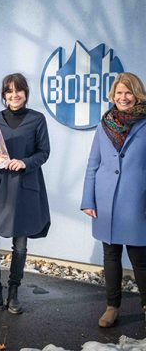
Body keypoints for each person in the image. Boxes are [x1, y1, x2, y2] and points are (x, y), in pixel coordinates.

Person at [0, 73, 51, 314]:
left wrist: (25, 162)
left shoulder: (37, 119)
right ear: (4, 94)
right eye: (9, 91)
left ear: (26, 93)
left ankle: (13, 293)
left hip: (24, 187)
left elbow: (44, 152)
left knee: (20, 245)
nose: (14, 95)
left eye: (18, 91)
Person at [81, 72, 146, 328]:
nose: (123, 97)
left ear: (137, 94)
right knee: (111, 255)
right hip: (106, 200)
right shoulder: (105, 124)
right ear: (113, 96)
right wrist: (89, 199)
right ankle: (112, 306)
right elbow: (93, 164)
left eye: (128, 92)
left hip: (137, 200)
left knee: (141, 259)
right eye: (119, 93)